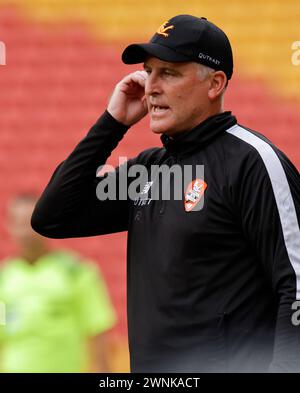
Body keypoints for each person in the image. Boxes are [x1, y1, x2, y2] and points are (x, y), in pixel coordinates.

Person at [31, 15, 300, 372]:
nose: (150, 87)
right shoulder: (148, 170)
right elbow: (52, 217)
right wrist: (112, 123)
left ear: (215, 83)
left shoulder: (252, 162)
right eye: (148, 71)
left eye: (169, 73)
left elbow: (295, 285)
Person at [0, 193, 116, 373]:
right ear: (9, 227)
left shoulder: (74, 272)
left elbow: (96, 329)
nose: (25, 232)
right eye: (19, 223)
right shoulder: (4, 278)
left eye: (31, 223)